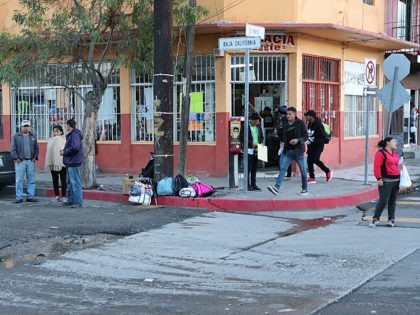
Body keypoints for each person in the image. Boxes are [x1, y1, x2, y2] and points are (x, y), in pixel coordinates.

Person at [267, 107, 309, 196]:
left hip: (298, 151)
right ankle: (276, 188)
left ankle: (304, 188)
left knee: (303, 170)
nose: (288, 116)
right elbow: (281, 133)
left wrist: (297, 140)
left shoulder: (300, 123)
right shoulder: (285, 124)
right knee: (282, 169)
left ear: (294, 114)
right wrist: (276, 132)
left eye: (290, 114)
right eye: (287, 114)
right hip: (288, 151)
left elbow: (306, 136)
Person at [369, 137, 402, 228]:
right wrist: (379, 179)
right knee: (383, 201)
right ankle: (375, 219)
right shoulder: (381, 153)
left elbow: (396, 165)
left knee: (392, 201)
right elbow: (377, 167)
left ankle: (391, 219)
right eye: (394, 141)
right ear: (388, 143)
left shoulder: (394, 153)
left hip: (396, 181)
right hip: (386, 181)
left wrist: (401, 168)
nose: (396, 143)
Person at [10, 119, 39, 203]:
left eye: (27, 126)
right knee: (19, 179)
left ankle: (30, 196)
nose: (26, 128)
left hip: (30, 161)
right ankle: (19, 197)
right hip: (20, 161)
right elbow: (12, 149)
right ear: (21, 127)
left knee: (31, 179)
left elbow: (36, 148)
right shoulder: (16, 136)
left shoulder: (33, 136)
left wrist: (35, 157)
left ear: (29, 127)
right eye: (24, 126)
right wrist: (16, 158)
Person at [304, 110, 333, 184]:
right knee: (309, 161)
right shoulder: (310, 123)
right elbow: (310, 134)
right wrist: (309, 140)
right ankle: (312, 177)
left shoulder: (318, 124)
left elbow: (322, 137)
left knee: (316, 160)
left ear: (311, 116)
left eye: (307, 116)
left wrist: (313, 140)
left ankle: (327, 171)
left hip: (318, 145)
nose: (306, 117)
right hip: (311, 145)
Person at [60, 119, 84, 208]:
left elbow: (75, 147)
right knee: (70, 183)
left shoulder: (74, 135)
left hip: (73, 162)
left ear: (69, 125)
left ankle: (77, 201)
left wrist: (65, 152)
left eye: (66, 125)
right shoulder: (73, 135)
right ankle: (71, 200)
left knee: (75, 183)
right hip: (71, 162)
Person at [240, 112, 264, 191]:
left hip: (257, 150)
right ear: (252, 120)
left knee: (254, 168)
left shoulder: (258, 126)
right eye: (256, 121)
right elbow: (242, 138)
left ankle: (254, 184)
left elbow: (262, 136)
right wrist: (251, 143)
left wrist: (260, 143)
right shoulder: (245, 127)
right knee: (248, 168)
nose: (258, 122)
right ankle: (247, 185)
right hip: (249, 150)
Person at [45, 125, 67, 202]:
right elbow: (49, 152)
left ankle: (64, 196)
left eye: (57, 131)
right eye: (54, 131)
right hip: (53, 162)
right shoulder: (51, 140)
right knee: (55, 180)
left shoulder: (65, 140)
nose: (55, 133)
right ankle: (56, 196)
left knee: (63, 180)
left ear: (61, 132)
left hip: (62, 163)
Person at [275, 105, 292, 180]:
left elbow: (282, 130)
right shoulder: (287, 119)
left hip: (284, 142)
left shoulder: (284, 119)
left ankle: (285, 174)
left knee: (282, 158)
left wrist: (277, 132)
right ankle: (287, 174)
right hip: (285, 141)